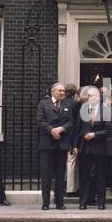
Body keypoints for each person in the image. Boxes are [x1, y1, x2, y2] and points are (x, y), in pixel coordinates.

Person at [72, 87, 112, 210]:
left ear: (98, 97)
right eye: (89, 96)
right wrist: (74, 145)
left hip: (99, 148)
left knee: (100, 176)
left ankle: (101, 202)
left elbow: (109, 130)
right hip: (85, 148)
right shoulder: (82, 110)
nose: (92, 98)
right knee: (84, 176)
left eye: (94, 96)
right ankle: (83, 202)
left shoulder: (105, 110)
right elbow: (77, 128)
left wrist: (95, 135)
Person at [37, 82, 75, 210]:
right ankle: (46, 203)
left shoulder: (67, 105)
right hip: (47, 143)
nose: (62, 93)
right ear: (53, 91)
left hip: (61, 143)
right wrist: (52, 130)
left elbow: (71, 121)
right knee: (46, 175)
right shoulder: (43, 104)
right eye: (60, 91)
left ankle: (60, 203)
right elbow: (40, 120)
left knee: (60, 175)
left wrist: (62, 129)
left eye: (63, 91)